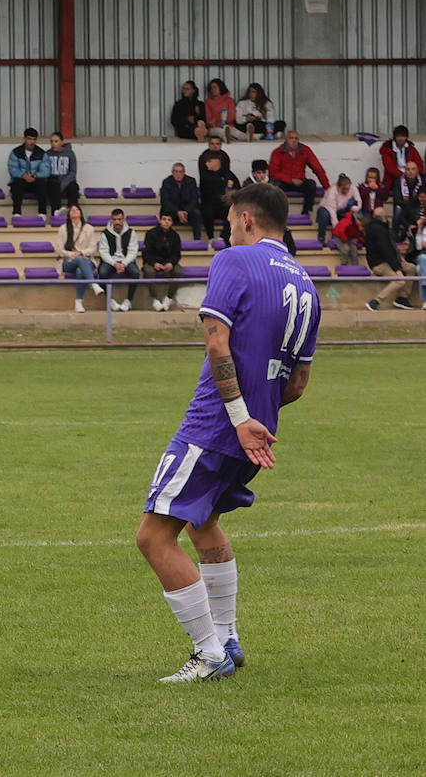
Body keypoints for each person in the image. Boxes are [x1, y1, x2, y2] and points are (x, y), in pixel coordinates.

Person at [135, 182, 319, 683]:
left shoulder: (233, 261)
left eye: (231, 221)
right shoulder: (306, 283)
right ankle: (229, 637)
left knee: (153, 538)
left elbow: (218, 345)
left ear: (246, 220)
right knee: (205, 524)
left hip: (218, 427)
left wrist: (238, 419)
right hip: (258, 434)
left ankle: (209, 652)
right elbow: (298, 382)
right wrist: (256, 416)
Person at [363, 206, 412, 311]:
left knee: (411, 268)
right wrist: (397, 269)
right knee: (400, 281)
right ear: (384, 217)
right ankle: (375, 301)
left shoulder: (383, 228)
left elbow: (391, 247)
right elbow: (386, 252)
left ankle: (402, 298)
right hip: (379, 263)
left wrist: (399, 259)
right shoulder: (378, 230)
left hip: (390, 260)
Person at [268, 131, 329, 215]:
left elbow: (318, 169)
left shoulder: (305, 150)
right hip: (284, 182)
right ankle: (277, 214)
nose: (294, 141)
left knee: (311, 184)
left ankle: (306, 212)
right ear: (286, 140)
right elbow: (273, 173)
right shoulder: (277, 152)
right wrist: (291, 180)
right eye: (291, 138)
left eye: (296, 138)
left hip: (300, 182)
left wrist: (327, 188)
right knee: (274, 186)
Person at [54, 204, 100, 312]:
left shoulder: (89, 228)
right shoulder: (63, 229)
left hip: (87, 259)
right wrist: (71, 254)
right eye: (72, 210)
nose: (74, 211)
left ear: (81, 213)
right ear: (69, 214)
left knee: (80, 271)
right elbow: (59, 249)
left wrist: (81, 252)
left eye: (77, 209)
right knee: (79, 259)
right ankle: (93, 283)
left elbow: (93, 248)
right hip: (68, 261)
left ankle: (78, 302)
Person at [98, 208, 140, 311]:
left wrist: (124, 264)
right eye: (115, 219)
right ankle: (110, 300)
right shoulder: (105, 233)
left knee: (135, 273)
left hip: (126, 260)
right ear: (111, 220)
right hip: (110, 261)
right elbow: (103, 252)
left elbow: (133, 251)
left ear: (123, 219)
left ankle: (128, 301)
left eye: (119, 219)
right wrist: (114, 264)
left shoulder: (131, 233)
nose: (117, 222)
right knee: (102, 272)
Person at [143, 212, 185, 311]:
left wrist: (171, 263)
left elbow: (177, 254)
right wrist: (154, 263)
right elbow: (146, 253)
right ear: (160, 220)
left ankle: (169, 298)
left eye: (169, 220)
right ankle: (155, 299)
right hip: (152, 262)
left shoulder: (175, 236)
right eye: (164, 219)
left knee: (179, 272)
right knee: (149, 271)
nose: (166, 222)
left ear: (172, 222)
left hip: (169, 262)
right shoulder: (150, 233)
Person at [7, 128, 51, 216]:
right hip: (21, 180)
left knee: (42, 183)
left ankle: (42, 214)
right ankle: (16, 213)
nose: (32, 142)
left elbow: (46, 171)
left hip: (35, 180)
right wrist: (23, 175)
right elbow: (13, 169)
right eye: (29, 139)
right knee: (16, 183)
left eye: (34, 139)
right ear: (24, 139)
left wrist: (35, 175)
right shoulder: (16, 152)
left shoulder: (41, 153)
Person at [197, 154, 240, 241]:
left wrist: (231, 186)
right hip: (210, 204)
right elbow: (206, 191)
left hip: (223, 205)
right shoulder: (205, 175)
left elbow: (237, 187)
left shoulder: (227, 173)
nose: (206, 164)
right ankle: (211, 237)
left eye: (209, 162)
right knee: (206, 211)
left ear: (216, 162)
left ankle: (223, 236)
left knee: (232, 211)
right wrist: (224, 185)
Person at [160, 163, 204, 241]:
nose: (178, 174)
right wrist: (178, 212)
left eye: (180, 172)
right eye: (176, 172)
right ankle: (165, 241)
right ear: (172, 172)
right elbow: (165, 201)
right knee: (165, 215)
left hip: (188, 211)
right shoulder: (167, 182)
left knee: (197, 214)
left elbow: (194, 199)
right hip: (173, 211)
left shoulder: (191, 181)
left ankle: (197, 240)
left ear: (184, 172)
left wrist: (185, 211)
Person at [316, 174, 360, 245]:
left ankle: (353, 238)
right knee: (324, 214)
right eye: (344, 189)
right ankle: (321, 238)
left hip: (341, 210)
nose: (346, 191)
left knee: (351, 211)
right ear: (339, 187)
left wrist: (356, 208)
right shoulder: (332, 192)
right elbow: (332, 212)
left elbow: (359, 201)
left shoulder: (353, 188)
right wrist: (336, 229)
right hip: (327, 210)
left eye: (348, 189)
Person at [379, 125, 423, 190]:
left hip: (411, 176)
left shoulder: (411, 149)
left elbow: (419, 164)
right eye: (398, 136)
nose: (400, 138)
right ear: (395, 137)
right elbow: (390, 168)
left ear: (406, 137)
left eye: (403, 136)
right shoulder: (387, 149)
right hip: (394, 178)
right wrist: (405, 176)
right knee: (399, 183)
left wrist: (414, 175)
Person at [45, 132, 80, 213]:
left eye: (56, 141)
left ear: (62, 142)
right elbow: (45, 171)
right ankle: (56, 210)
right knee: (53, 185)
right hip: (52, 181)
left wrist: (63, 184)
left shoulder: (70, 154)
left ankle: (72, 210)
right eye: (51, 141)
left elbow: (73, 172)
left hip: (66, 181)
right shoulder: (47, 154)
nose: (53, 144)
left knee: (73, 187)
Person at [391, 161, 424, 229]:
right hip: (404, 206)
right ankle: (395, 232)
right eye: (408, 169)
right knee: (398, 209)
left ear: (417, 171)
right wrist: (409, 205)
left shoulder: (423, 181)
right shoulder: (398, 181)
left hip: (417, 206)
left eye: (413, 169)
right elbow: (397, 200)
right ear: (405, 171)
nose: (410, 171)